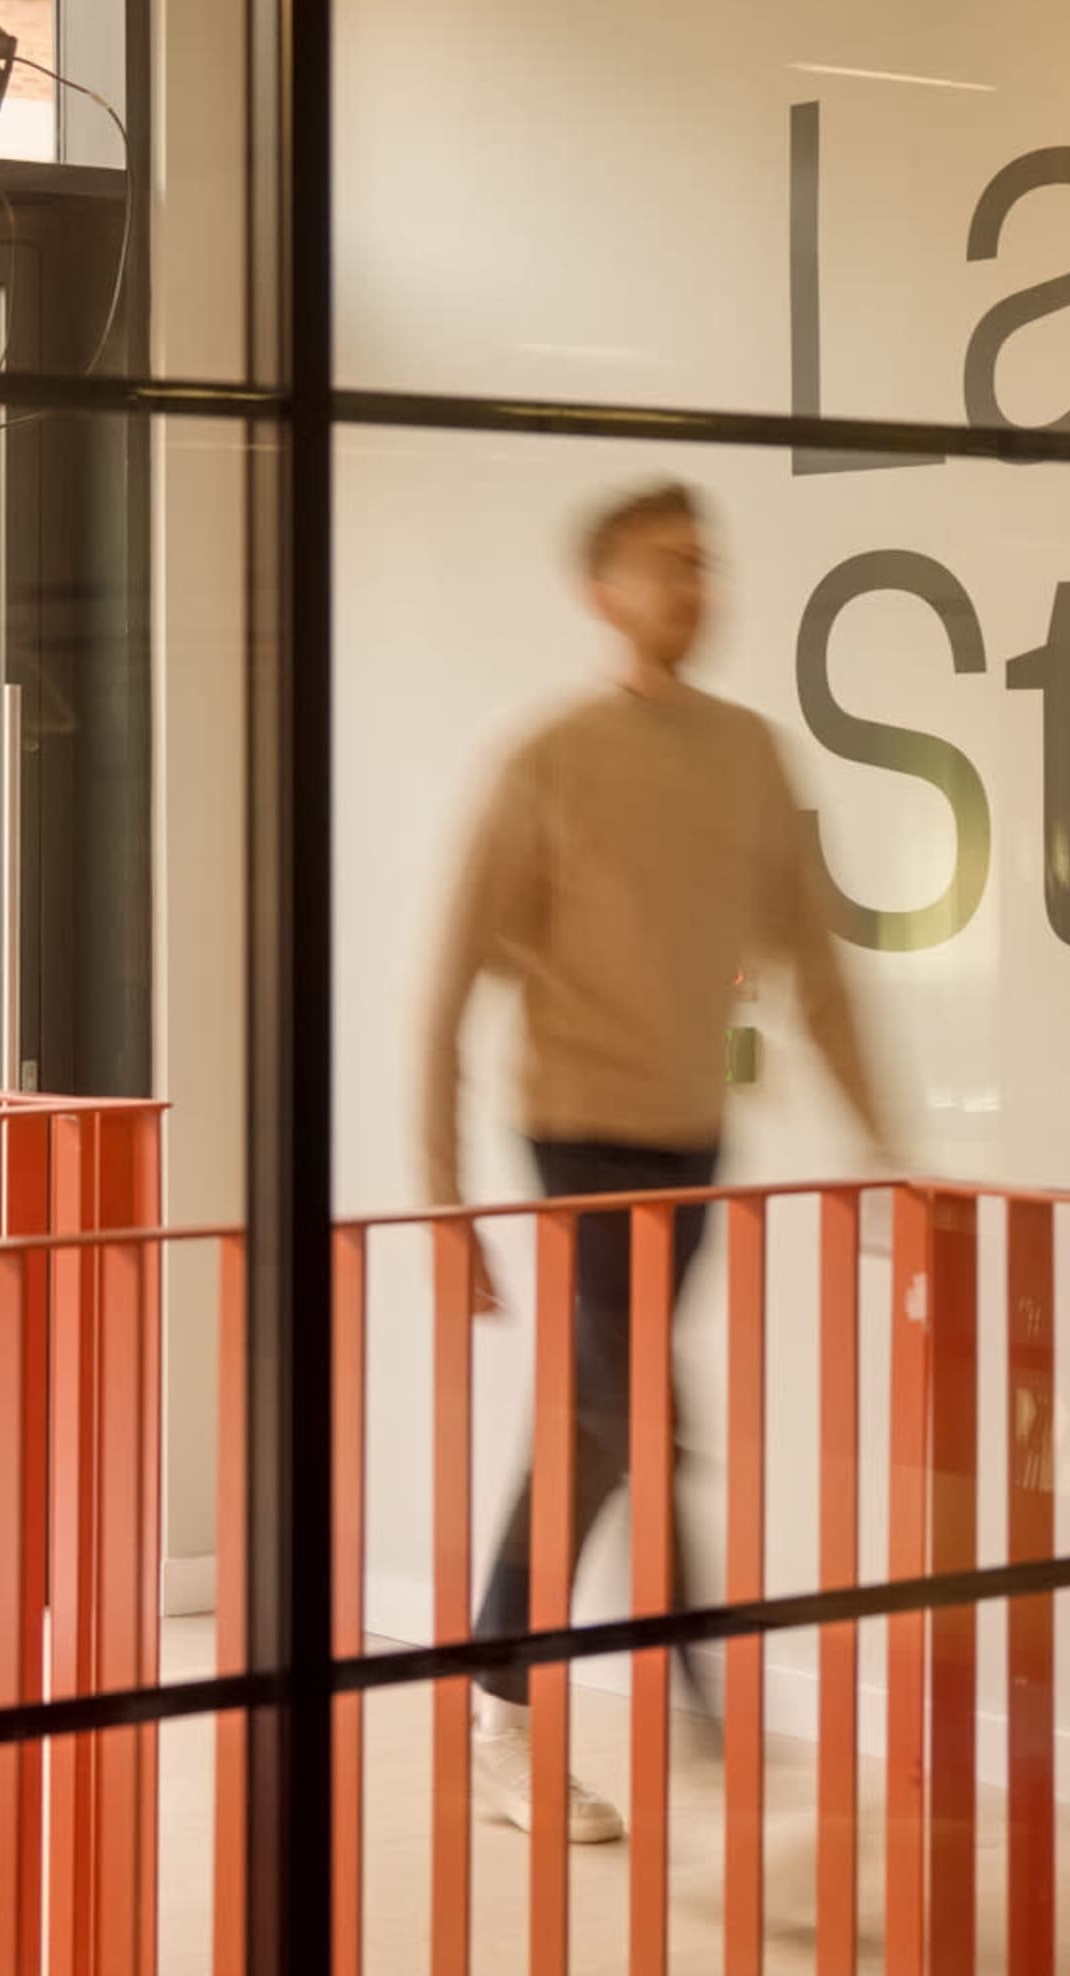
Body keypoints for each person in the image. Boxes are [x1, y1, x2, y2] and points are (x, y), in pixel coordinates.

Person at [420, 478, 893, 1843]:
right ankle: (677, 1695)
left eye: (704, 563)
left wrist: (883, 1146)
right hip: (574, 1133)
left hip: (693, 1133)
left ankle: (522, 1707)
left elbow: (817, 970)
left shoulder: (749, 755)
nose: (695, 587)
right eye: (667, 564)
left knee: (597, 1422)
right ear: (603, 592)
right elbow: (448, 991)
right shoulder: (549, 758)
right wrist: (448, 1206)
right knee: (627, 1414)